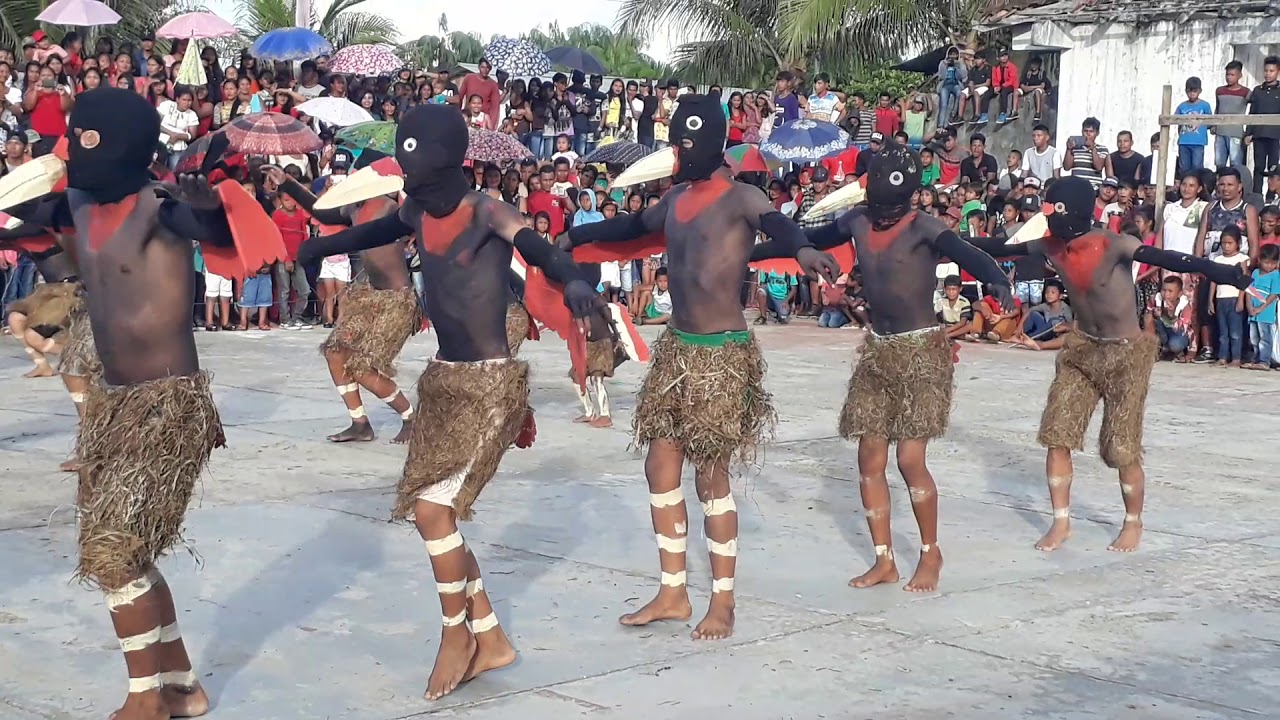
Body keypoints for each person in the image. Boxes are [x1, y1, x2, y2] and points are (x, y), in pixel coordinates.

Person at [293, 104, 604, 701]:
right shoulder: (415, 206)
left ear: (452, 167)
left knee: (435, 512)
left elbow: (540, 250)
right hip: (442, 379)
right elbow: (375, 231)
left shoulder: (488, 210)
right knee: (432, 511)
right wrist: (318, 248)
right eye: (410, 179)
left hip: (490, 384)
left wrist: (579, 284)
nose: (414, 189)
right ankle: (490, 638)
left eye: (423, 177)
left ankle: (455, 635)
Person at [22, 87, 284, 720]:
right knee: (124, 551)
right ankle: (182, 685)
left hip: (166, 405)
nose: (74, 150)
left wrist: (212, 196)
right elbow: (31, 210)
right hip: (112, 403)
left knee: (114, 553)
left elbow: (218, 229)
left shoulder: (161, 207)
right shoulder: (78, 203)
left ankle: (146, 700)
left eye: (84, 139)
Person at [561, 94, 837, 640]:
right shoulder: (676, 199)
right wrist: (579, 235)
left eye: (683, 144)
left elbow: (778, 225)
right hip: (677, 351)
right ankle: (672, 592)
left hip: (721, 355)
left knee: (712, 477)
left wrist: (803, 250)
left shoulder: (741, 197)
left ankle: (724, 601)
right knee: (660, 469)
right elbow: (633, 225)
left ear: (704, 144)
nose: (676, 152)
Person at [760, 142, 1013, 593]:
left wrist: (995, 279)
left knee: (910, 459)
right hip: (878, 350)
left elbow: (968, 253)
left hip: (921, 352)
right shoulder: (856, 221)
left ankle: (931, 553)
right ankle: (884, 560)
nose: (882, 213)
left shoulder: (924, 228)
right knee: (869, 458)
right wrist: (759, 249)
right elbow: (812, 239)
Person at [970, 176, 1252, 554]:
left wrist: (1220, 271)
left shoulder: (1113, 243)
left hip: (1125, 353)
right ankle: (1061, 522)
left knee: (1122, 447)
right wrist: (939, 244)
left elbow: (1169, 259)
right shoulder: (1051, 245)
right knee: (1058, 434)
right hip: (1082, 349)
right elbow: (995, 246)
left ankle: (1132, 522)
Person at [272, 166, 419, 444]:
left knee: (362, 366)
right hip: (369, 295)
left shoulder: (389, 207)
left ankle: (411, 417)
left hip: (396, 300)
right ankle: (360, 423)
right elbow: (322, 212)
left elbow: (410, 218)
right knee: (335, 352)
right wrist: (288, 184)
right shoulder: (354, 209)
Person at [1208, 226, 1250, 366]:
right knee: (1223, 332)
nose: (1226, 246)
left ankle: (1236, 358)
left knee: (1235, 332)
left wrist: (1240, 300)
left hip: (1234, 299)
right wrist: (1210, 301)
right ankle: (1222, 357)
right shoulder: (1218, 260)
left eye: (1229, 243)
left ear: (1238, 243)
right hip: (1220, 299)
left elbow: (1244, 281)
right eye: (1223, 243)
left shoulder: (1241, 259)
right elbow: (1214, 281)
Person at [1246, 244, 1280, 369]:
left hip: (1266, 313)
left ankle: (1264, 361)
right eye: (1266, 263)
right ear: (1259, 260)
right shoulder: (1255, 273)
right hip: (1253, 313)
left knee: (1265, 337)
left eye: (1272, 263)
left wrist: (1261, 308)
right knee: (1253, 338)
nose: (1269, 266)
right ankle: (1255, 359)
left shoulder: (1275, 275)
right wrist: (1249, 306)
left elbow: (1273, 294)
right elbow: (1249, 290)